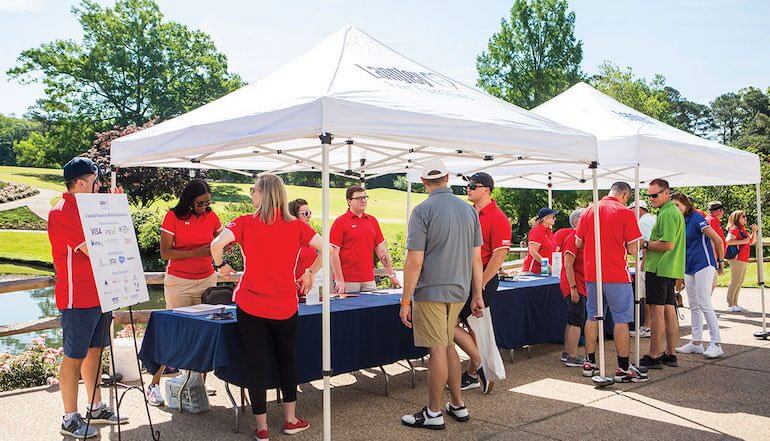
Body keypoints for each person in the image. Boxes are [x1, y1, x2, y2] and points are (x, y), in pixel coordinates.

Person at [210, 175, 322, 441]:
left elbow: (215, 244)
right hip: (285, 304)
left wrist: (220, 266)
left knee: (256, 364)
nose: (251, 195)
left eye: (253, 191)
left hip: (251, 304)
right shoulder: (297, 226)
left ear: (262, 193)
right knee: (287, 361)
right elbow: (328, 249)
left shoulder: (245, 222)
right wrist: (309, 272)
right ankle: (290, 420)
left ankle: (262, 427)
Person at [399, 159, 484, 430]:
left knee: (438, 349)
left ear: (423, 182)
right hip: (459, 290)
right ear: (447, 177)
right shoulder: (469, 211)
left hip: (431, 291)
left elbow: (414, 261)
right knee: (446, 345)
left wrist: (405, 300)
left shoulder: (422, 211)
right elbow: (476, 259)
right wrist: (477, 294)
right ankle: (457, 403)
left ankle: (434, 411)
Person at [48, 157, 128, 438]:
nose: (100, 187)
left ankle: (95, 407)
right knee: (73, 356)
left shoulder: (90, 208)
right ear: (80, 183)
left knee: (95, 351)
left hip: (100, 293)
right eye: (96, 182)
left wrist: (116, 210)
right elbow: (97, 249)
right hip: (77, 298)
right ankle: (70, 418)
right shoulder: (63, 212)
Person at [145, 179, 222, 406]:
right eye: (200, 203)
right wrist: (196, 251)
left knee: (204, 333)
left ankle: (198, 383)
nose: (205, 207)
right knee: (174, 333)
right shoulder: (172, 217)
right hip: (179, 282)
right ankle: (154, 384)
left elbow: (220, 242)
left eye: (208, 203)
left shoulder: (212, 216)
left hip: (207, 279)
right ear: (189, 201)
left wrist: (219, 249)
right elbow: (165, 253)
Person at [576, 181, 647, 383]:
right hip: (616, 274)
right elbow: (633, 249)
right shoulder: (625, 213)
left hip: (592, 273)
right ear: (625, 195)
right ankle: (623, 366)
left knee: (592, 316)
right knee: (621, 320)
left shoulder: (589, 211)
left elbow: (578, 242)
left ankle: (589, 362)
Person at [456, 172, 511, 394]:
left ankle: (479, 364)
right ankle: (473, 373)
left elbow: (499, 255)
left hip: (482, 281)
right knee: (472, 328)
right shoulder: (468, 213)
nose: (467, 189)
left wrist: (480, 284)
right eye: (467, 185)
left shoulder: (498, 217)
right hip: (464, 280)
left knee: (449, 324)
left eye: (472, 186)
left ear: (486, 190)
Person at [671, 193, 725, 358]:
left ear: (685, 204)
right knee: (693, 305)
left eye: (677, 206)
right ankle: (696, 342)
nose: (675, 209)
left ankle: (716, 343)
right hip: (689, 267)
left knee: (704, 302)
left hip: (704, 264)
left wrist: (720, 262)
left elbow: (717, 239)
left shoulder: (696, 218)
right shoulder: (679, 221)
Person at [640, 178, 686, 370]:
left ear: (666, 193)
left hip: (659, 268)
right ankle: (670, 353)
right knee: (669, 309)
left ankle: (654, 354)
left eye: (654, 194)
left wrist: (644, 244)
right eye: (649, 195)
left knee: (656, 311)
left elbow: (667, 244)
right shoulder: (674, 212)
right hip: (670, 268)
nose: (651, 198)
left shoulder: (667, 213)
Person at [330, 186, 401, 293]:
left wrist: (391, 274)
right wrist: (339, 280)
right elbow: (333, 253)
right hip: (347, 281)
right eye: (359, 198)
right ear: (349, 201)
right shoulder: (340, 222)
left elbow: (381, 250)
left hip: (369, 280)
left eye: (365, 197)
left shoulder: (372, 221)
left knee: (372, 309)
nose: (363, 200)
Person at [559, 208, 586, 367]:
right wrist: (573, 287)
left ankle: (568, 352)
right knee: (576, 319)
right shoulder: (572, 238)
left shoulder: (577, 238)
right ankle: (572, 356)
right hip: (575, 283)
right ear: (577, 222)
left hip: (577, 283)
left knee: (573, 318)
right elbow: (568, 265)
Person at [630, 200, 656, 338]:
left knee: (645, 296)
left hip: (646, 261)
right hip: (653, 262)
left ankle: (647, 327)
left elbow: (645, 242)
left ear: (638, 209)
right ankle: (649, 326)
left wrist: (643, 262)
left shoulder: (643, 222)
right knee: (648, 296)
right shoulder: (652, 219)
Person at [725, 209, 758, 312]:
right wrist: (743, 241)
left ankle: (735, 303)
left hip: (743, 259)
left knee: (739, 281)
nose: (745, 218)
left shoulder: (742, 229)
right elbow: (728, 241)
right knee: (735, 281)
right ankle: (730, 304)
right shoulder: (734, 228)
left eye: (745, 216)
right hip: (737, 258)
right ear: (736, 218)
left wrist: (753, 232)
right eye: (743, 216)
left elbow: (751, 241)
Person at [288, 198, 318, 297]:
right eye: (305, 214)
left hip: (310, 292)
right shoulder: (289, 237)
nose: (309, 216)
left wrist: (311, 273)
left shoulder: (312, 236)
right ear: (294, 216)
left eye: (309, 213)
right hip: (291, 292)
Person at [522, 208, 558, 275]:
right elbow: (533, 252)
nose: (555, 219)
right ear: (545, 219)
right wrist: (548, 266)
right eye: (553, 217)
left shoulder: (549, 232)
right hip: (532, 272)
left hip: (544, 271)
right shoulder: (536, 231)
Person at [705, 201, 726, 291]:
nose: (723, 213)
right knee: (711, 284)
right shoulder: (712, 220)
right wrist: (720, 260)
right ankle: (704, 305)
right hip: (712, 257)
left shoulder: (712, 220)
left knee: (711, 284)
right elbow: (713, 241)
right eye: (722, 210)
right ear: (718, 211)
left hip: (713, 257)